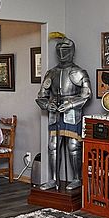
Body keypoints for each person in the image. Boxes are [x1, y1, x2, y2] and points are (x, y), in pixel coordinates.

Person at [35, 37, 92, 190]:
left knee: (73, 146)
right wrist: (48, 104)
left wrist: (70, 104)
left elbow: (86, 94)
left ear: (72, 51)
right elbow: (41, 95)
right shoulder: (51, 73)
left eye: (65, 50)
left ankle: (77, 178)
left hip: (72, 112)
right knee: (53, 146)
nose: (62, 54)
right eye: (59, 50)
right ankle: (53, 179)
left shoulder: (78, 72)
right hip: (55, 112)